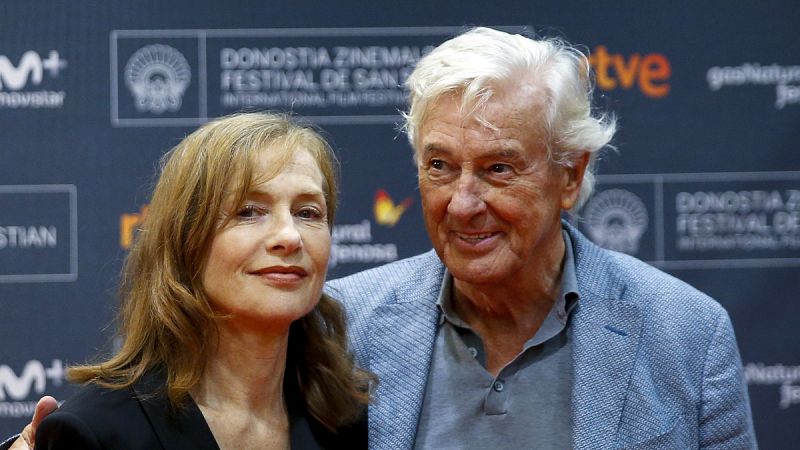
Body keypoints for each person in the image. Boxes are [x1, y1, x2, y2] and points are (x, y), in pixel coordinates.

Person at [6, 26, 756, 449]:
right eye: (439, 165)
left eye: (497, 168)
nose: (464, 203)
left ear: (570, 174)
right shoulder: (337, 324)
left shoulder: (686, 335)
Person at [7, 112, 371, 449]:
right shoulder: (96, 432)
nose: (290, 237)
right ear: (185, 241)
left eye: (308, 212)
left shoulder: (348, 420)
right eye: (249, 212)